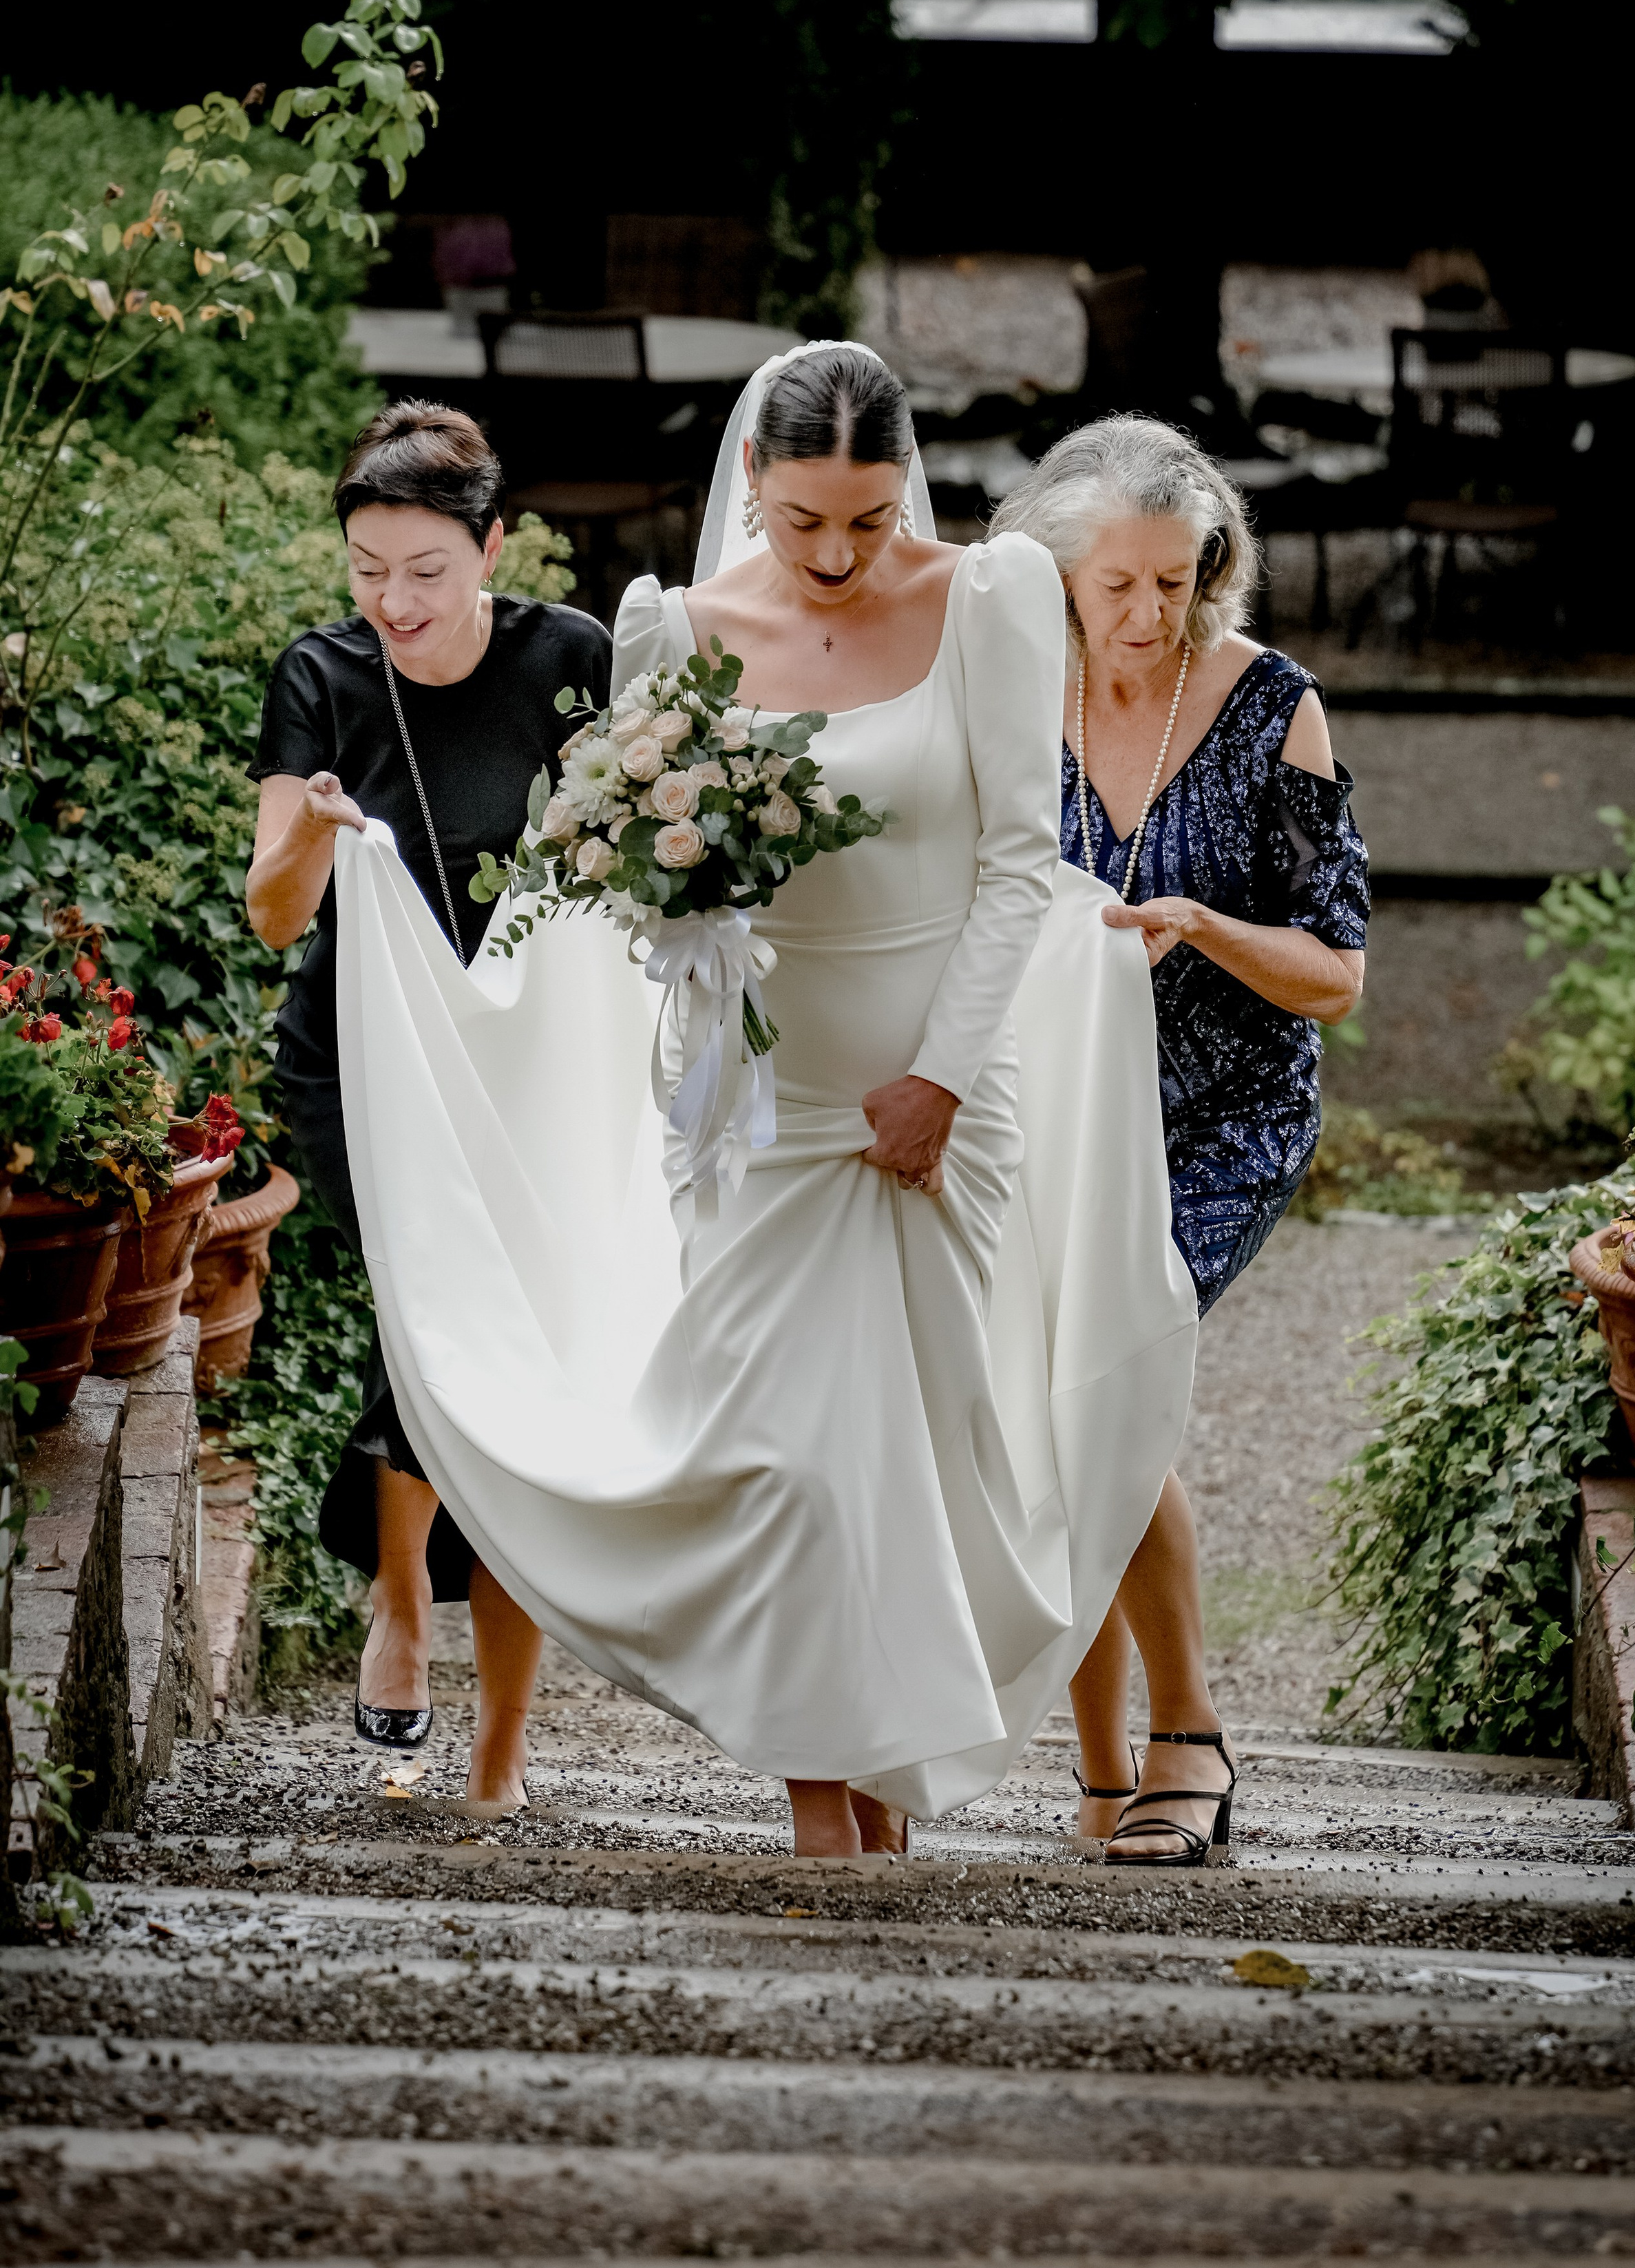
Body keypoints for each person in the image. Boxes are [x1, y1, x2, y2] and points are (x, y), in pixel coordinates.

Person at [321, 343, 1199, 1856]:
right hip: (757, 1102)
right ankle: (819, 1822)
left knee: (912, 1462)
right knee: (794, 1465)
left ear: (902, 489)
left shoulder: (987, 602)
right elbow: (623, 884)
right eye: (804, 522)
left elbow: (1011, 863)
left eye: (866, 519)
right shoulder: (672, 628)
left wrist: (937, 1078)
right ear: (753, 488)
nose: (840, 555)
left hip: (937, 1103)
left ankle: (875, 1792)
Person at [991, 416, 1369, 1864]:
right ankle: (1099, 1772)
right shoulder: (1013, 691)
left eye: (1174, 581)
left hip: (1222, 1118)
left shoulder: (1274, 707)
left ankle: (1188, 1734)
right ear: (1059, 578)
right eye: (1119, 588)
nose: (1149, 615)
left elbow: (1334, 976)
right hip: (1055, 1108)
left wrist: (1203, 929)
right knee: (1048, 1407)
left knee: (1112, 1375)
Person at [246, 401, 611, 1809]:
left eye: (422, 572)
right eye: (363, 570)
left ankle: (502, 1748)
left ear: (492, 551)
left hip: (526, 1064)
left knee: (498, 1352)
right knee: (445, 1322)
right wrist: (318, 842)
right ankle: (401, 1601)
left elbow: (627, 864)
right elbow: (274, 914)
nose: (390, 602)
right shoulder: (322, 679)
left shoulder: (569, 664)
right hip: (362, 1066)